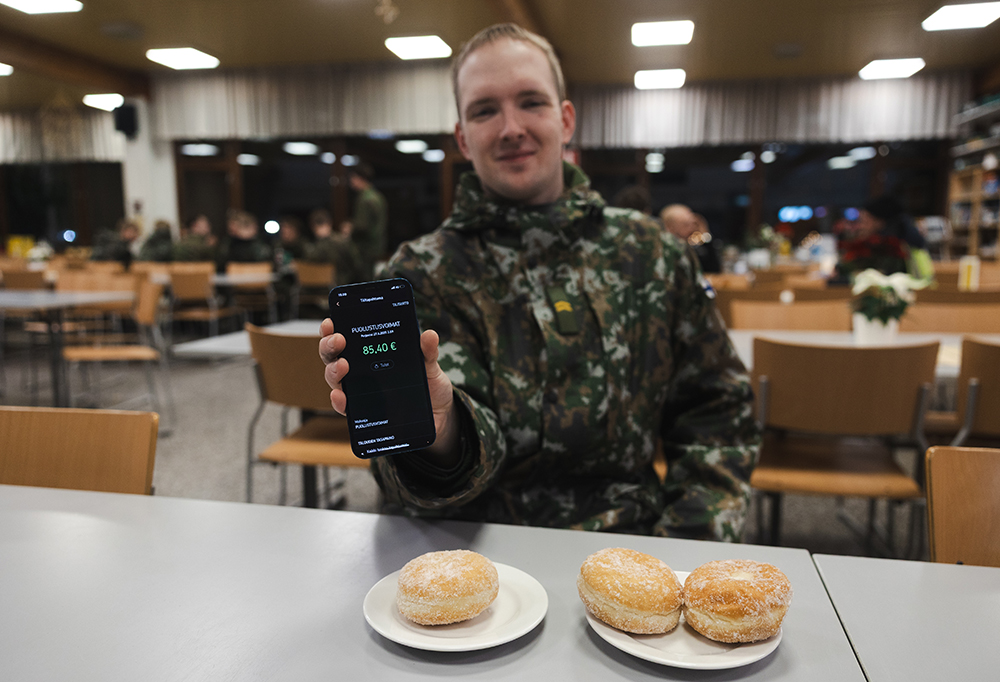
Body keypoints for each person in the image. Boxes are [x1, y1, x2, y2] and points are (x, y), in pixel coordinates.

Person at [319, 23, 759, 541]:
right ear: (462, 136)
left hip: (628, 543)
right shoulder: (421, 272)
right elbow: (417, 470)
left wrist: (689, 548)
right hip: (470, 552)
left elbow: (717, 409)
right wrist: (439, 434)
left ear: (566, 119)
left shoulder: (650, 254)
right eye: (485, 110)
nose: (510, 128)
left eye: (531, 102)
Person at [341, 163, 387, 281]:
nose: (351, 182)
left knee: (364, 285)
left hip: (364, 250)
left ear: (359, 178)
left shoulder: (364, 199)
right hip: (377, 247)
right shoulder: (378, 196)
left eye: (352, 178)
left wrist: (350, 228)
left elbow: (362, 226)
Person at [306, 208, 362, 285]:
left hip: (319, 289)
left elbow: (307, 270)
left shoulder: (313, 248)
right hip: (344, 286)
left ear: (312, 226)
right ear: (330, 223)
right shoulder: (343, 242)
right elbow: (357, 265)